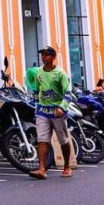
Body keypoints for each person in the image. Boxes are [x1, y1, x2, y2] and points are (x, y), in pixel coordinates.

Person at [29, 45, 72, 180]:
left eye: (47, 55)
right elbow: (36, 90)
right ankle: (42, 168)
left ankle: (67, 166)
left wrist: (62, 107)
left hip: (57, 111)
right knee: (42, 139)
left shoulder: (60, 74)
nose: (43, 57)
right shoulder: (38, 73)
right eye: (42, 55)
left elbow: (68, 93)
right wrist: (35, 105)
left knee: (63, 140)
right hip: (43, 111)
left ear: (53, 57)